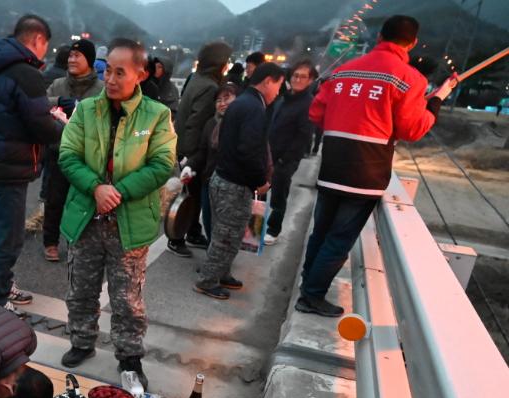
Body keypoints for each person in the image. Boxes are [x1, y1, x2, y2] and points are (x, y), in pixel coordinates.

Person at [298, 15, 457, 316]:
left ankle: (309, 284)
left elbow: (316, 114)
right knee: (339, 238)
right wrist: (435, 102)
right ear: (410, 44)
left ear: (381, 36)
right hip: (365, 174)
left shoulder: (343, 71)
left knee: (321, 231)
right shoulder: (410, 79)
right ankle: (311, 296)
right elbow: (412, 129)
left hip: (331, 166)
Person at [57, 38, 177, 389]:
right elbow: (67, 155)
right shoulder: (86, 109)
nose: (109, 78)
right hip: (86, 217)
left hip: (129, 220)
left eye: (119, 72)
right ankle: (81, 340)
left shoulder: (157, 115)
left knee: (127, 297)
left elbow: (161, 164)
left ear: (140, 74)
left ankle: (129, 356)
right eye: (107, 70)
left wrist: (118, 192)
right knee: (81, 288)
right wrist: (95, 187)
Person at [0, 15, 64, 312]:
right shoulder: (26, 74)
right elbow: (40, 125)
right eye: (45, 46)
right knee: (9, 240)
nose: (44, 53)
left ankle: (2, 285)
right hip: (9, 167)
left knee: (0, 232)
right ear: (38, 40)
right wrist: (63, 128)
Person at [194, 62, 285, 300]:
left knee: (227, 233)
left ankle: (221, 273)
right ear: (267, 82)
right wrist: (260, 181)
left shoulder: (241, 103)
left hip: (223, 177)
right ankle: (207, 280)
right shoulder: (254, 108)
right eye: (278, 85)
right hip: (235, 184)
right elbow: (250, 150)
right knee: (227, 236)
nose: (278, 92)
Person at [42, 38, 103, 262]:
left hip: (87, 155)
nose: (72, 59)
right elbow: (38, 103)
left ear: (90, 60)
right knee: (54, 198)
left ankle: (76, 243)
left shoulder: (101, 89)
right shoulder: (58, 84)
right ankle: (50, 242)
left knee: (81, 201)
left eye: (78, 56)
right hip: (58, 150)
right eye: (70, 56)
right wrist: (57, 100)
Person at [172, 41, 233, 255]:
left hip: (183, 145)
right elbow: (197, 123)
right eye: (225, 63)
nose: (226, 67)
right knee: (191, 198)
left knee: (191, 196)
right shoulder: (210, 86)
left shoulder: (196, 78)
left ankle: (192, 232)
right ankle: (176, 238)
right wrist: (191, 157)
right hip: (193, 149)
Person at [263, 59, 317, 244]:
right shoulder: (284, 98)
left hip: (285, 160)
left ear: (310, 80)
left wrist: (284, 160)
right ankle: (254, 229)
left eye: (303, 77)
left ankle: (273, 229)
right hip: (268, 154)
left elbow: (303, 137)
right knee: (259, 193)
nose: (297, 79)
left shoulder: (308, 103)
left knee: (278, 194)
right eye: (295, 75)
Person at [184, 83, 239, 244]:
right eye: (218, 100)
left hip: (231, 185)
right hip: (208, 182)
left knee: (225, 228)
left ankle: (218, 262)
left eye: (227, 98)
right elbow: (202, 152)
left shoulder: (241, 124)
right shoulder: (210, 123)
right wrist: (190, 166)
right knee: (208, 222)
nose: (222, 103)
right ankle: (212, 255)